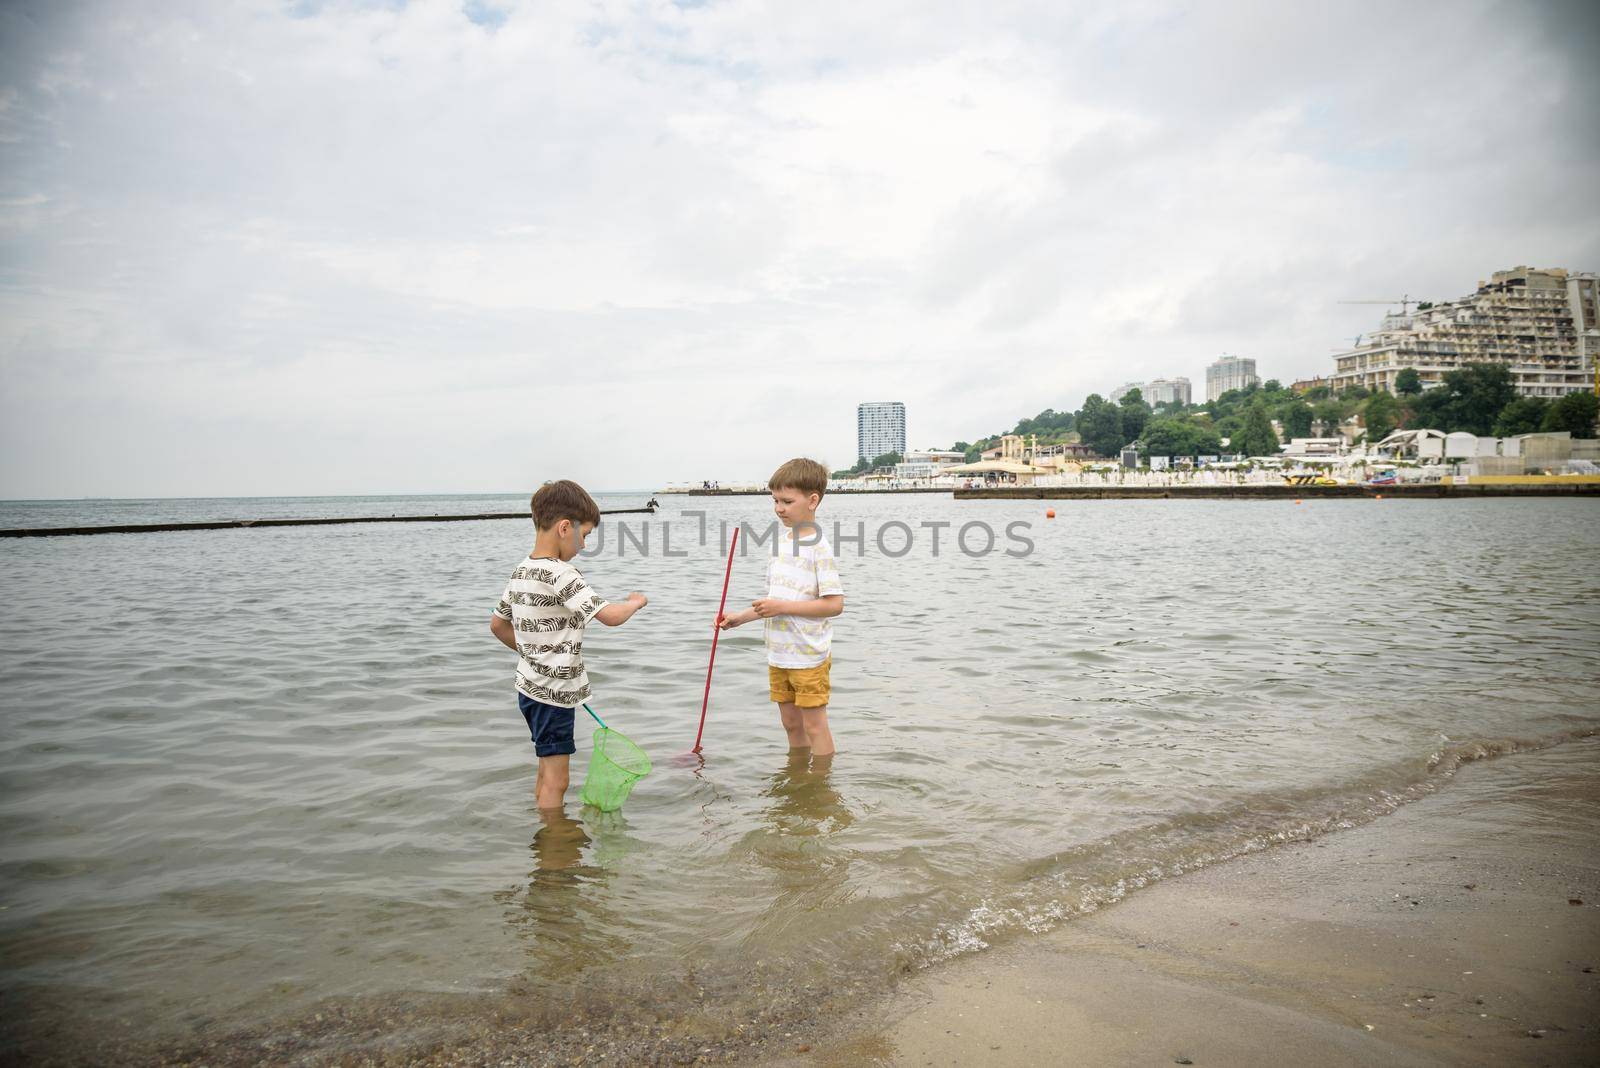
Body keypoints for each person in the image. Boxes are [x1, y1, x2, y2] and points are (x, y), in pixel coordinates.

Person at [490, 480, 647, 809]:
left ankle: (544, 837)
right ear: (565, 527)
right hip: (553, 695)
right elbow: (611, 616)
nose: (584, 545)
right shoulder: (562, 573)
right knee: (558, 780)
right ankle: (555, 848)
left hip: (528, 689)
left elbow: (498, 625)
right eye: (585, 535)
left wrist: (534, 654)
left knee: (545, 767)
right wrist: (635, 602)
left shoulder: (522, 570)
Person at [718, 458, 845, 756]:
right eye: (775, 500)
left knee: (814, 725)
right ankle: (798, 780)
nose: (779, 508)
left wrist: (783, 607)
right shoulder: (781, 543)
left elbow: (834, 605)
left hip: (808, 654)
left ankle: (821, 786)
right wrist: (738, 619)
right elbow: (772, 602)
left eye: (787, 501)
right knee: (790, 723)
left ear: (813, 500)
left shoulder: (819, 548)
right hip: (779, 652)